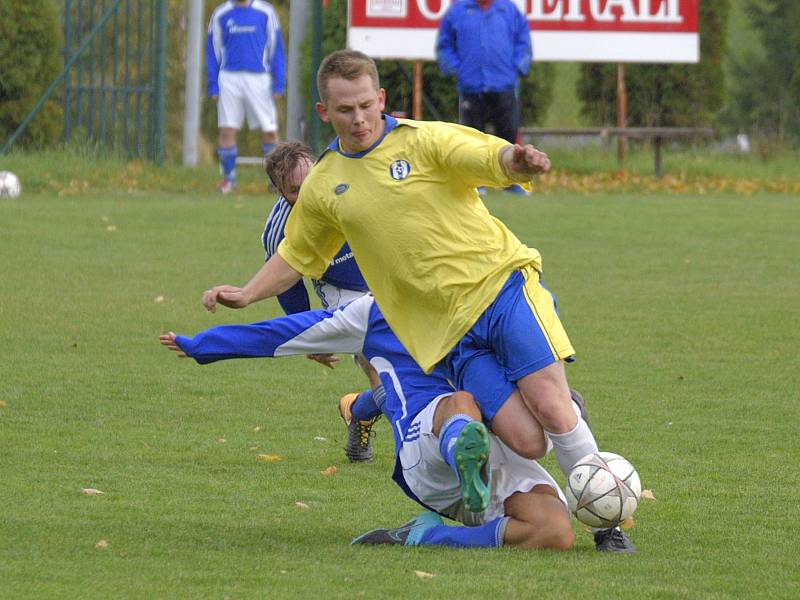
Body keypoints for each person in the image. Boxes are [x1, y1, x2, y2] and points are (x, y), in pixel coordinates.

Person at [201, 49, 635, 552]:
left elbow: (487, 157)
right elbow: (295, 255)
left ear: (381, 98)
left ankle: (608, 527)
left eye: (366, 105)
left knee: (555, 410)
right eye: (345, 110)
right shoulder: (323, 184)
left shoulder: (423, 139)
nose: (359, 118)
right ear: (325, 112)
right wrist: (247, 292)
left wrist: (517, 160)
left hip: (502, 289)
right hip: (446, 335)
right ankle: (518, 438)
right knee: (528, 439)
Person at [160, 294, 575, 551]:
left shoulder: (479, 297)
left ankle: (424, 537)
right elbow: (279, 334)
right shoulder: (371, 312)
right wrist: (202, 346)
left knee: (554, 532)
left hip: (497, 443)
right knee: (461, 402)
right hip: (423, 441)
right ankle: (463, 450)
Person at [262, 141, 381, 462]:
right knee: (384, 367)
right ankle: (429, 454)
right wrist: (310, 338)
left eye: (312, 182)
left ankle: (358, 410)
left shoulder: (351, 182)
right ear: (279, 191)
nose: (307, 195)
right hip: (344, 292)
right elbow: (287, 287)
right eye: (294, 190)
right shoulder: (279, 232)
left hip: (390, 273)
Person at [436, 0, 532, 195]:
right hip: (471, 86)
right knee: (472, 136)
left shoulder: (508, 9)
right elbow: (444, 45)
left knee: (508, 132)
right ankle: (476, 182)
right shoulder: (458, 11)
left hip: (504, 83)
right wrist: (457, 69)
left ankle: (511, 182)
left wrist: (517, 67)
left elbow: (523, 41)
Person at [206, 0, 286, 194]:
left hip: (259, 79)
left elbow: (276, 48)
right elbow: (212, 50)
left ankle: (277, 181)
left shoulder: (265, 12)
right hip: (229, 78)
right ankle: (229, 180)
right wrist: (213, 85)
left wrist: (279, 82)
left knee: (270, 130)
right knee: (227, 130)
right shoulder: (220, 14)